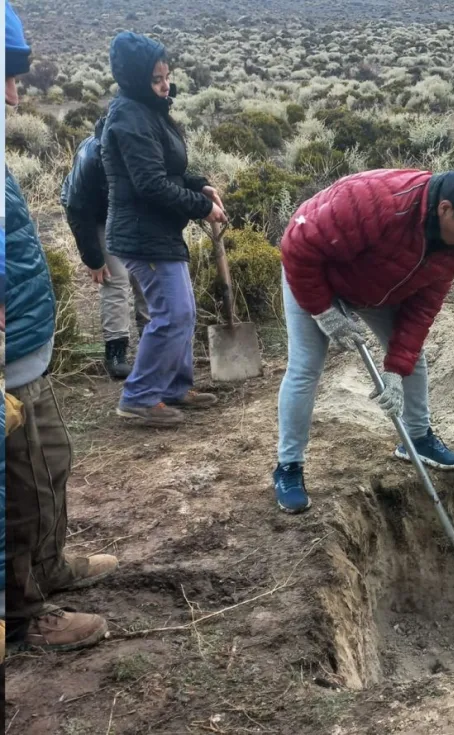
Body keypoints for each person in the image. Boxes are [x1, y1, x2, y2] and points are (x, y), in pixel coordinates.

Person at [275, 168, 454, 514]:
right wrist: (323, 311)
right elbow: (297, 246)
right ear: (445, 209)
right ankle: (288, 467)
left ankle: (416, 437)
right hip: (314, 272)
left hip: (379, 288)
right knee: (306, 367)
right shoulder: (376, 201)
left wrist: (396, 368)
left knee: (414, 361)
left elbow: (421, 311)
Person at [5, 0, 117, 653]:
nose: (16, 93)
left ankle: (47, 565)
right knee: (15, 492)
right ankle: (22, 613)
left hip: (25, 348)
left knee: (48, 463)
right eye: (7, 74)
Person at [100, 31, 228, 427]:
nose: (165, 84)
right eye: (157, 79)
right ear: (138, 79)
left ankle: (173, 386)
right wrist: (201, 207)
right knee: (173, 313)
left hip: (158, 231)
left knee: (181, 312)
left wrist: (196, 183)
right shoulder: (129, 117)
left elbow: (167, 169)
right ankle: (139, 397)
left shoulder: (150, 110)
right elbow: (150, 184)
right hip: (142, 233)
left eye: (167, 76)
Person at [62, 115, 151, 379]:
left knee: (145, 275)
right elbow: (78, 208)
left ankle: (152, 342)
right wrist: (93, 259)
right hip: (95, 216)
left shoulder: (143, 147)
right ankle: (116, 352)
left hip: (130, 213)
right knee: (115, 278)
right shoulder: (91, 158)